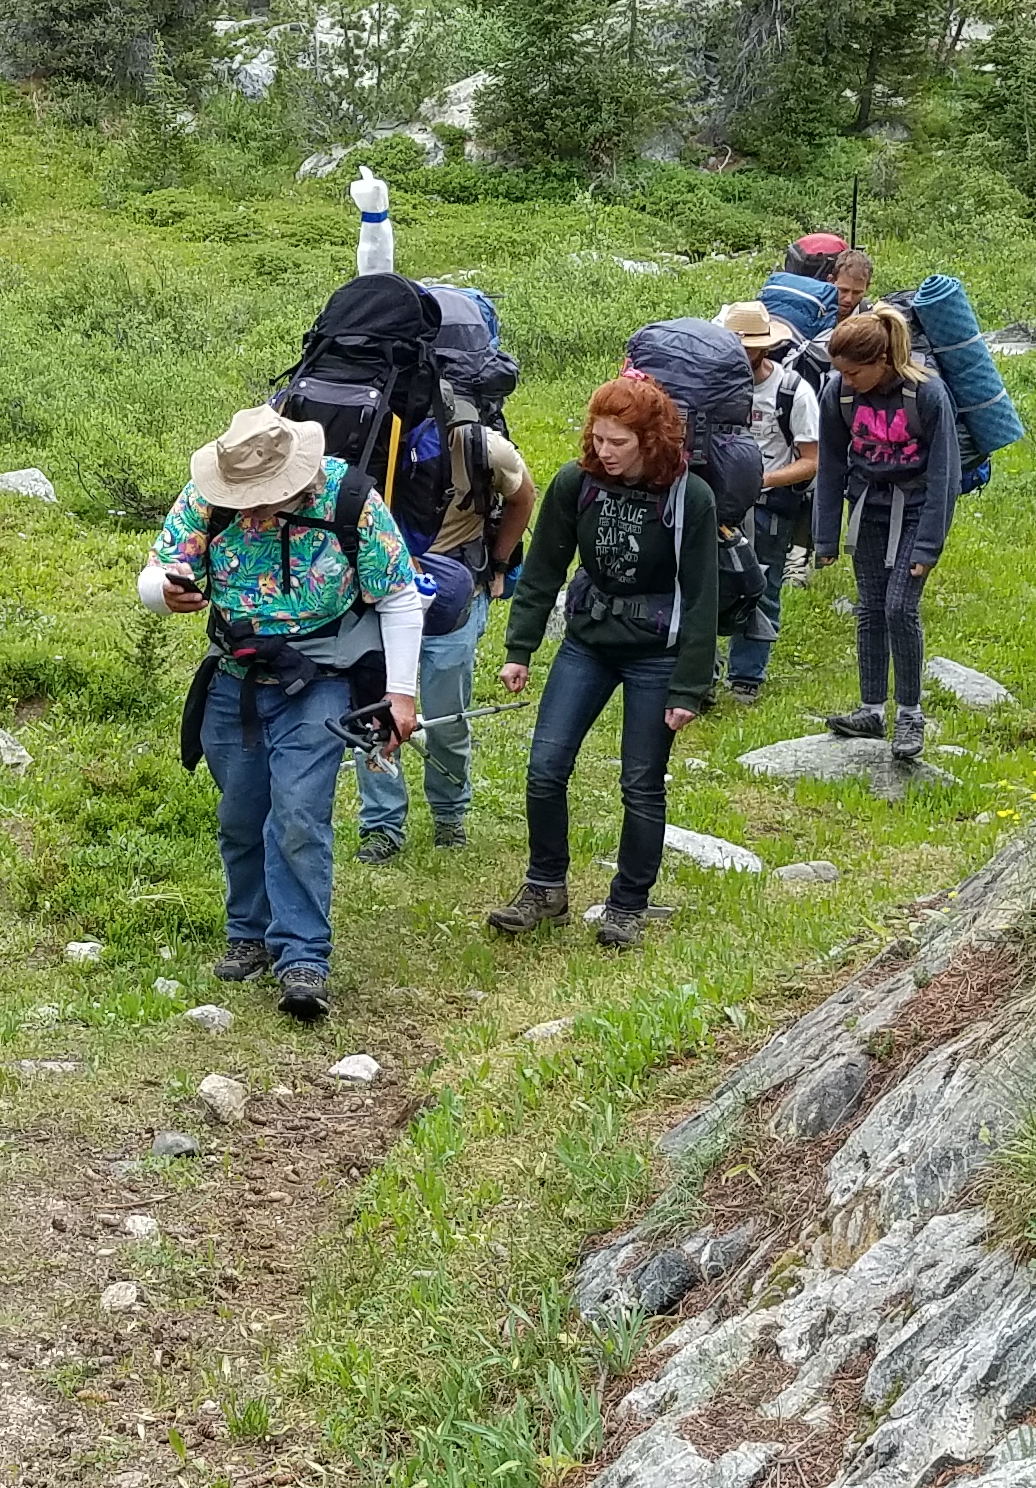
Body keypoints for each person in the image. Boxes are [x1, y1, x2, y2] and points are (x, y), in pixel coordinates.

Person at [141, 402, 424, 1022]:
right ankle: (248, 930)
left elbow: (400, 595)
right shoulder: (207, 498)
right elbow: (157, 571)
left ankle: (303, 955)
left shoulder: (350, 503)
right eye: (244, 497)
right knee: (241, 812)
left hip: (321, 678)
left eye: (265, 496)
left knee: (298, 811)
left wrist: (400, 693)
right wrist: (163, 591)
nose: (254, 509)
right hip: (235, 676)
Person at [486, 376, 720, 952]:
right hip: (587, 643)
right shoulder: (577, 483)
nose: (605, 451)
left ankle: (627, 906)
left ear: (649, 438)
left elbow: (702, 596)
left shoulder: (691, 497)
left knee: (641, 784)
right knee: (544, 768)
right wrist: (521, 649)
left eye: (618, 442)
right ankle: (545, 888)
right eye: (599, 438)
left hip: (656, 654)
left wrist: (688, 686)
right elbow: (543, 569)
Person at [355, 391, 537, 860]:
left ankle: (449, 814)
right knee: (374, 715)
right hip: (381, 589)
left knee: (446, 715)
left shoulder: (483, 447)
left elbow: (524, 496)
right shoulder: (370, 441)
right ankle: (382, 825)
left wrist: (497, 564)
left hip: (454, 594)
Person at [810, 307, 961, 768]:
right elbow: (832, 464)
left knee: (900, 607)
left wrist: (929, 545)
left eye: (855, 372)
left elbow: (945, 475)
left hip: (915, 512)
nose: (847, 380)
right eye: (841, 372)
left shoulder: (928, 395)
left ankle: (910, 714)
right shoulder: (840, 393)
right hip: (868, 511)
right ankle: (871, 710)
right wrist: (824, 536)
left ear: (882, 360)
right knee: (870, 608)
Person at [718, 301, 821, 707]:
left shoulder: (793, 392)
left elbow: (811, 462)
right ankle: (702, 674)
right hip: (718, 503)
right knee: (703, 582)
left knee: (761, 585)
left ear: (765, 349)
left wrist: (760, 481)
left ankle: (746, 675)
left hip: (768, 506)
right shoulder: (713, 385)